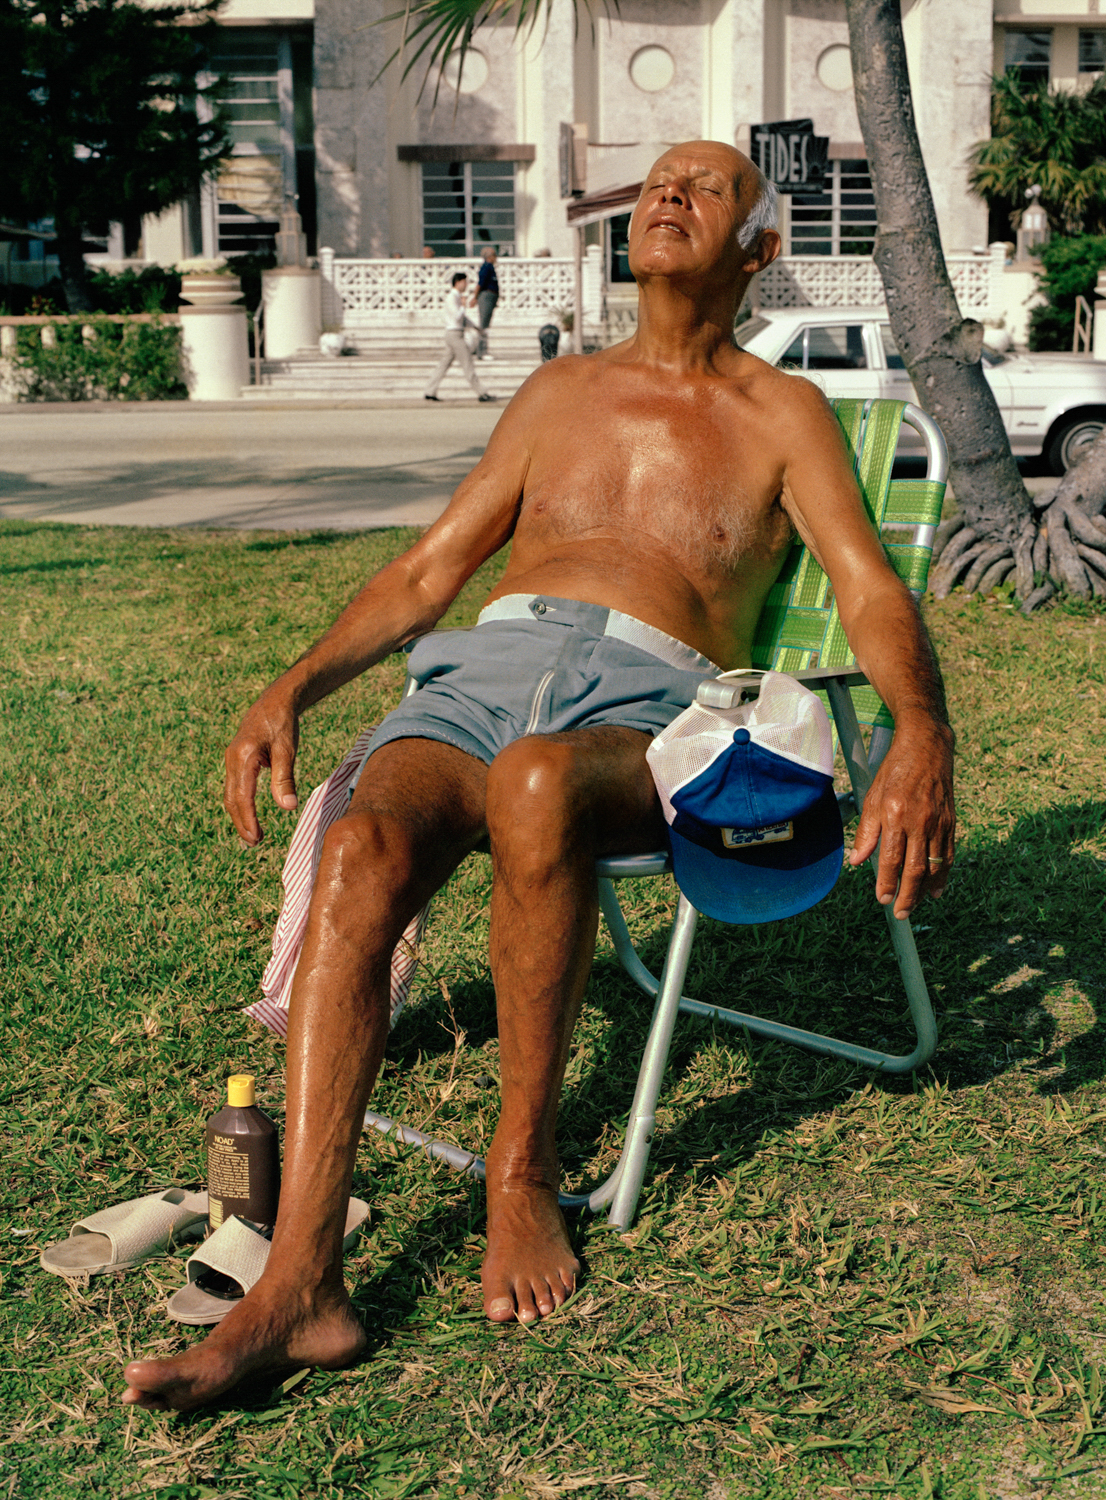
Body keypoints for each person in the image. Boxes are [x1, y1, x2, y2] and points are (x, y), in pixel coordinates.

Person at [122, 141, 955, 1412]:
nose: (667, 195)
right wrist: (292, 685)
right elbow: (426, 573)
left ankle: (522, 1170)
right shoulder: (557, 391)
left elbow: (868, 587)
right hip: (482, 671)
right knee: (362, 843)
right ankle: (302, 1281)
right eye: (657, 183)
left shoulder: (780, 416)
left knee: (532, 786)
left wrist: (920, 733)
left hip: (647, 699)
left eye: (708, 187)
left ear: (759, 253)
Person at [424, 271, 494, 404]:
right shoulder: (452, 297)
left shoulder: (457, 297)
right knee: (467, 363)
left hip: (455, 334)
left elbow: (463, 318)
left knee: (444, 364)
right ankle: (482, 393)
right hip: (454, 335)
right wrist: (463, 305)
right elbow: (457, 316)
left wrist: (475, 327)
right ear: (458, 282)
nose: (466, 285)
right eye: (464, 282)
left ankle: (429, 391)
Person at [472, 246, 500, 359]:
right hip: (486, 296)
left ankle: (482, 350)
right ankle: (482, 351)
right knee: (483, 325)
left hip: (491, 297)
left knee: (485, 325)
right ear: (489, 256)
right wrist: (475, 297)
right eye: (494, 255)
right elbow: (480, 283)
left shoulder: (491, 267)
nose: (496, 258)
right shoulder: (486, 267)